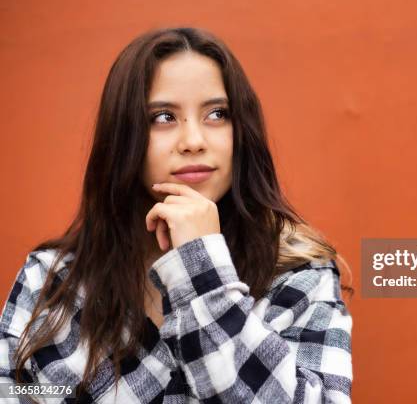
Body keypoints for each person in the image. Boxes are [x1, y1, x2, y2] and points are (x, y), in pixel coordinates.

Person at [0, 27, 353, 403]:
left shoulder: (298, 275)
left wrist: (202, 267)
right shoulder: (55, 281)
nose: (194, 141)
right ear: (123, 137)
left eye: (217, 114)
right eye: (163, 117)